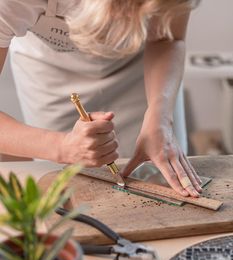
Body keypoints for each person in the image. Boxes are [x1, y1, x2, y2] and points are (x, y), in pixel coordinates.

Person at [0, 0, 202, 197]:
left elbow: (167, 38)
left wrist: (161, 115)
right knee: (64, 194)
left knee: (165, 177)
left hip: (141, 68)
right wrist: (62, 147)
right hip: (50, 72)